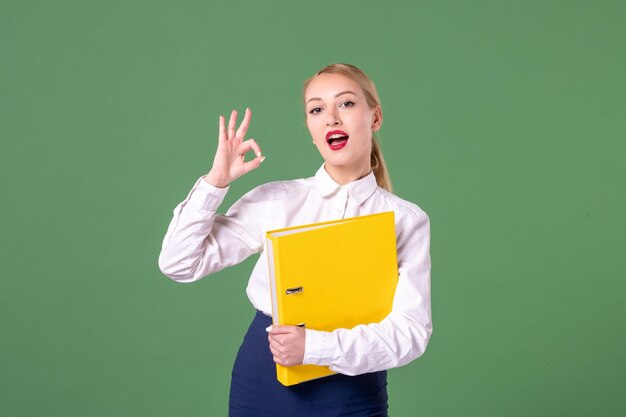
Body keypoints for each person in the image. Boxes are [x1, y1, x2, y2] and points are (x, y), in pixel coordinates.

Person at [158, 63, 432, 417]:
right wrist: (215, 183)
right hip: (264, 377)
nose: (331, 118)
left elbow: (411, 333)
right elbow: (179, 263)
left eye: (346, 104)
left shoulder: (405, 220)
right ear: (311, 129)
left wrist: (313, 348)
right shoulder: (277, 200)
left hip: (352, 388)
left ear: (375, 117)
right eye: (317, 109)